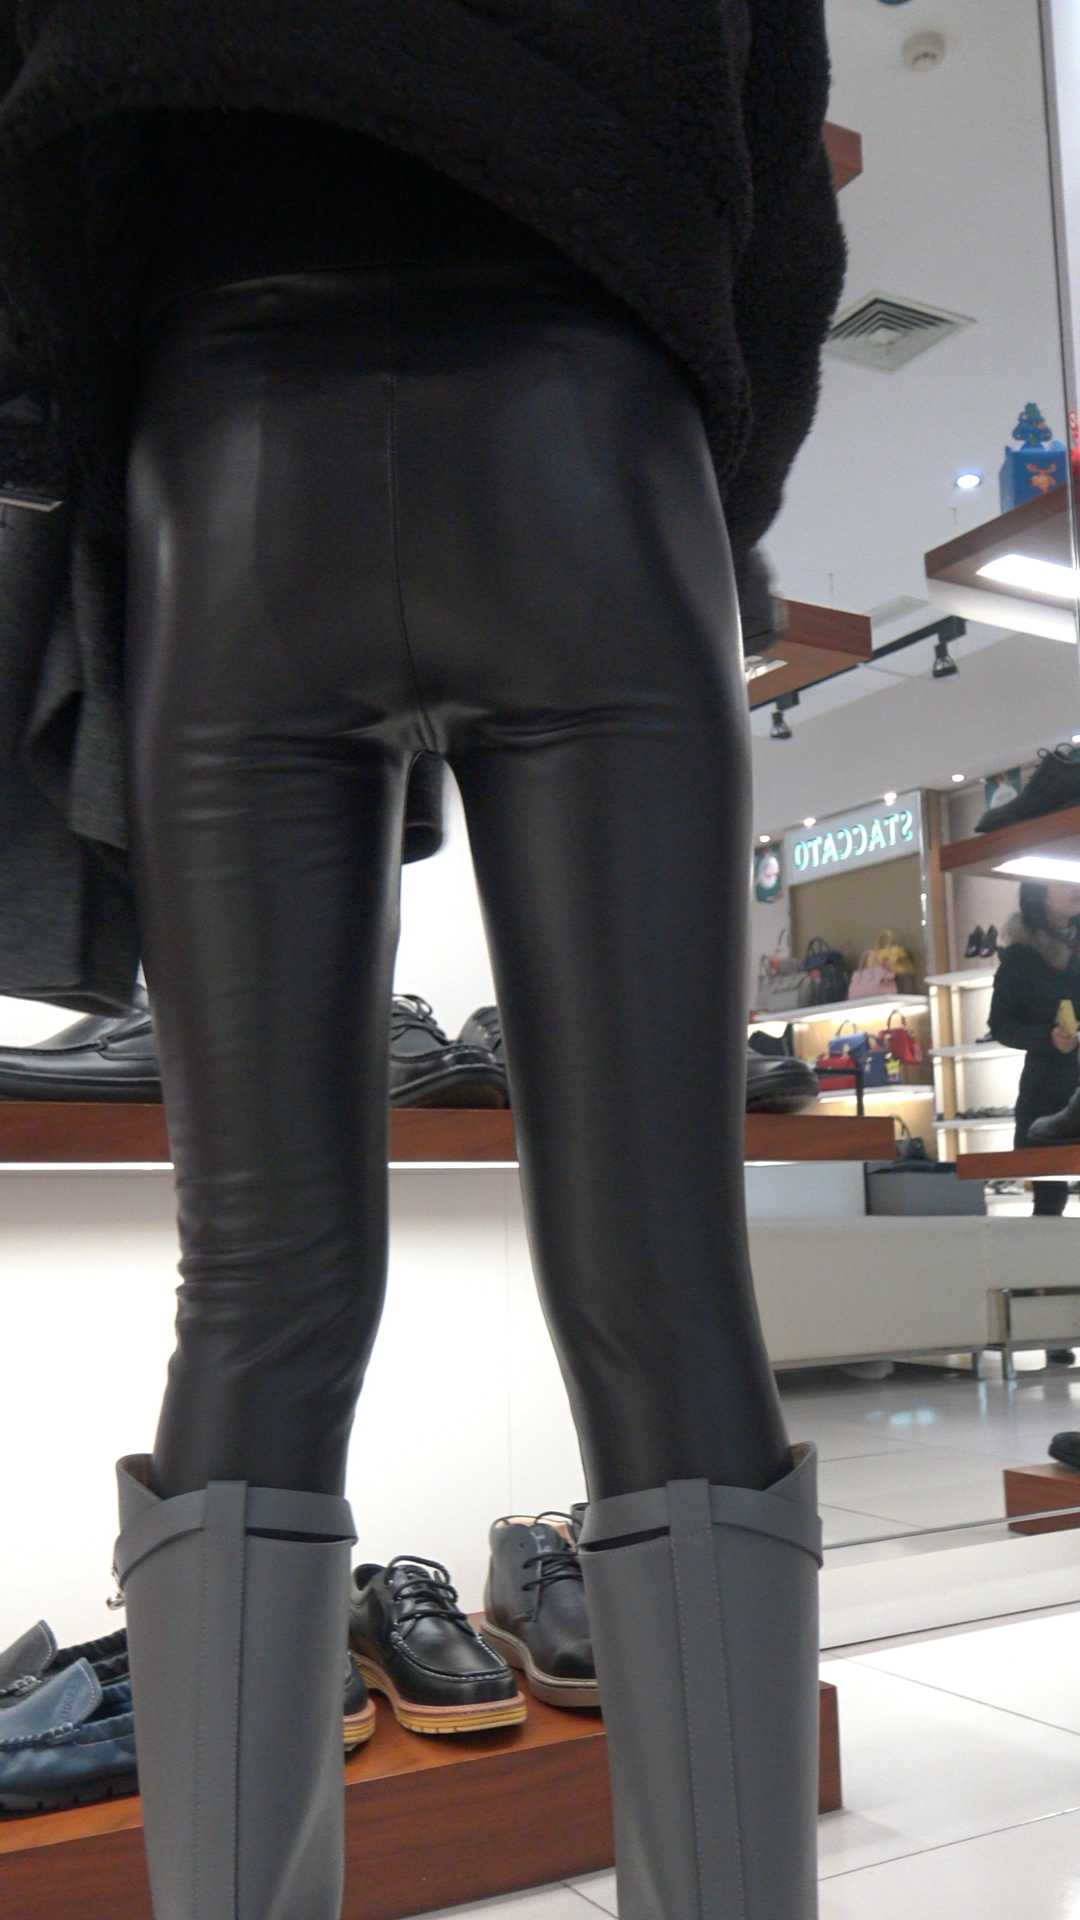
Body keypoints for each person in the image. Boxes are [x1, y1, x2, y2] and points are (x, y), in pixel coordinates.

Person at [0, 8, 846, 1918]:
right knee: (665, 1290)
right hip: (593, 441)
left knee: (261, 1301)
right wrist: (707, 496)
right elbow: (778, 202)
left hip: (227, 457)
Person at [990, 882, 1080, 1359]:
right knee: (1050, 1203)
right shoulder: (1021, 960)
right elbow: (1000, 1025)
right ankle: (1049, 1325)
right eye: (1065, 884)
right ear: (1040, 897)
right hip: (1048, 1092)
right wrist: (1048, 1038)